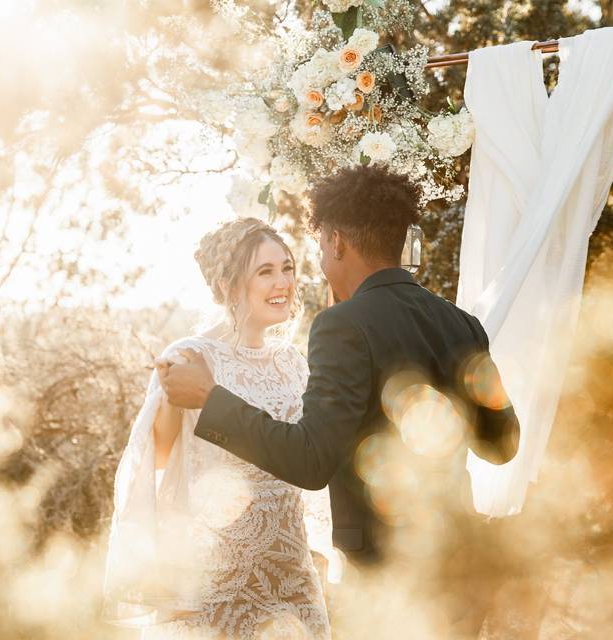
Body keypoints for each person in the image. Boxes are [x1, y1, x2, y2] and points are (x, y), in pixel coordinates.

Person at [160, 165, 520, 567]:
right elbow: (503, 444)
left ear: (335, 242)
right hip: (462, 557)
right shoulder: (462, 323)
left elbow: (311, 462)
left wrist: (211, 399)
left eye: (317, 245)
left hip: (390, 573)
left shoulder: (342, 325)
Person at [103, 218, 332, 639]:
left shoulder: (293, 362)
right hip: (219, 576)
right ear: (228, 285)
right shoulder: (190, 354)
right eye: (264, 271)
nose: (282, 282)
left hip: (292, 568)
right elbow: (161, 452)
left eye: (286, 267)